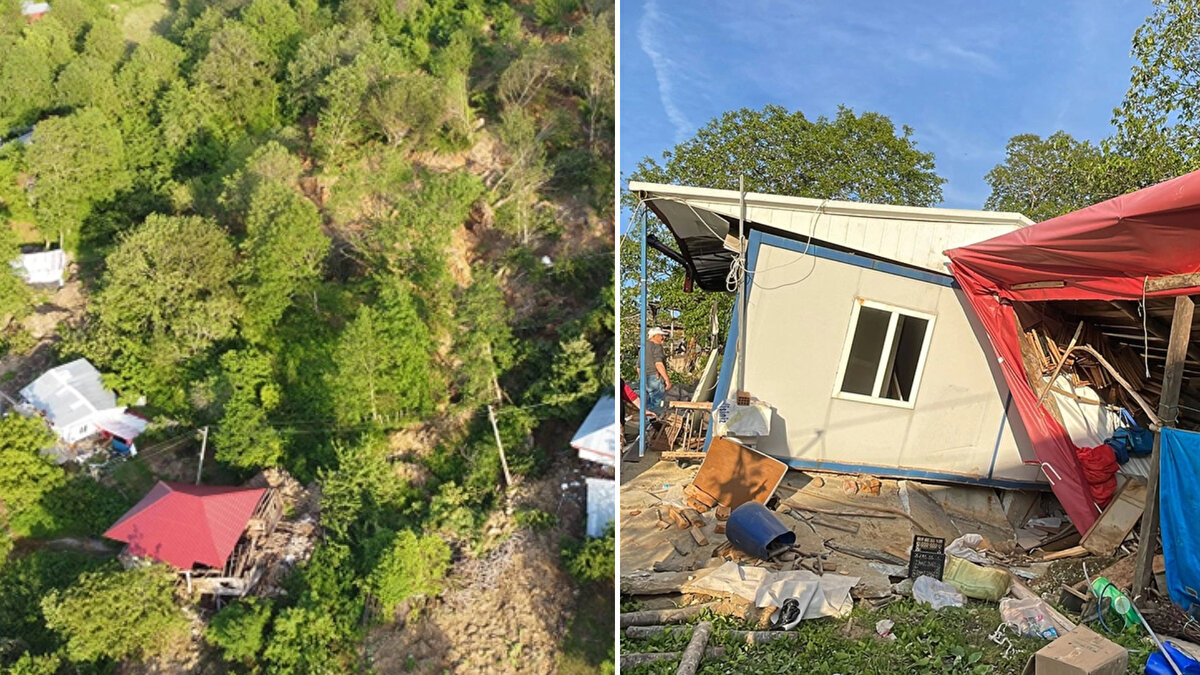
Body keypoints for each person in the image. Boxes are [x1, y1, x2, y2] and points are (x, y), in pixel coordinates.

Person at [637, 327, 671, 414]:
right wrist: (667, 379)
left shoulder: (643, 347)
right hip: (654, 377)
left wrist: (641, 379)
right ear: (654, 336)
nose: (663, 338)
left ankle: (646, 425)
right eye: (661, 336)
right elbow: (658, 364)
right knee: (656, 405)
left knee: (646, 404)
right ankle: (652, 424)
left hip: (644, 379)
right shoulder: (657, 346)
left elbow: (638, 367)